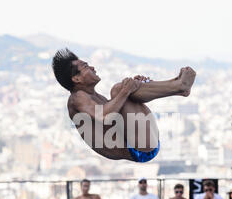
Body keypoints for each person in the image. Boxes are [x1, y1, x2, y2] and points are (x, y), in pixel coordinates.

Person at [52, 49, 196, 163]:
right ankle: (179, 85)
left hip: (142, 143)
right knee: (118, 89)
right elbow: (105, 116)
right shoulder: (76, 98)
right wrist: (127, 90)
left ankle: (178, 86)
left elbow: (121, 111)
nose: (93, 67)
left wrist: (137, 88)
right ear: (76, 78)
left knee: (122, 90)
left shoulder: (96, 97)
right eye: (86, 67)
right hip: (136, 149)